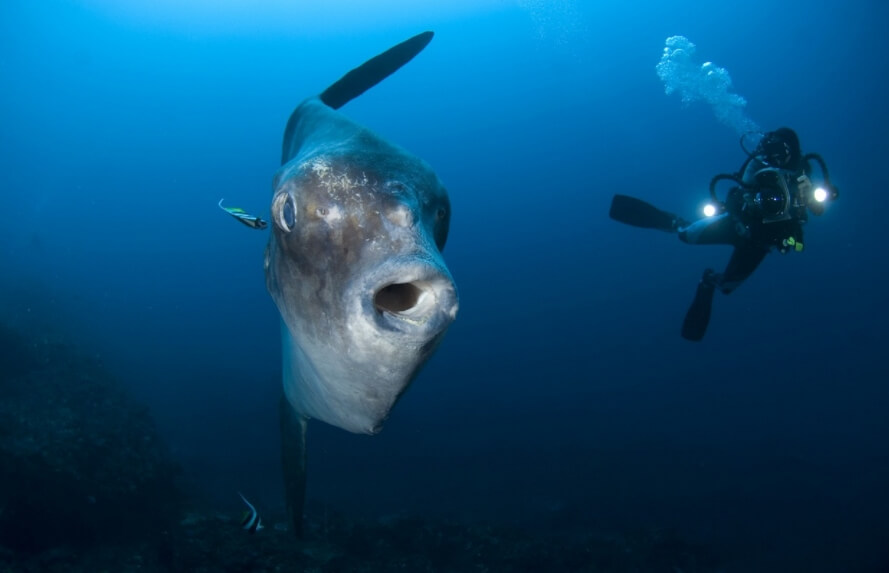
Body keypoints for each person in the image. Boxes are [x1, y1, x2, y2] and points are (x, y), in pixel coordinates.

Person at [609, 127, 838, 341]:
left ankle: (707, 282)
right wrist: (740, 217)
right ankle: (674, 223)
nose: (775, 157)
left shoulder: (802, 174)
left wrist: (813, 201)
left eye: (780, 152)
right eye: (771, 151)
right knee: (685, 235)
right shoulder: (758, 165)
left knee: (728, 287)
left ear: (792, 150)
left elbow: (815, 209)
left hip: (762, 242)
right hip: (738, 225)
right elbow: (735, 194)